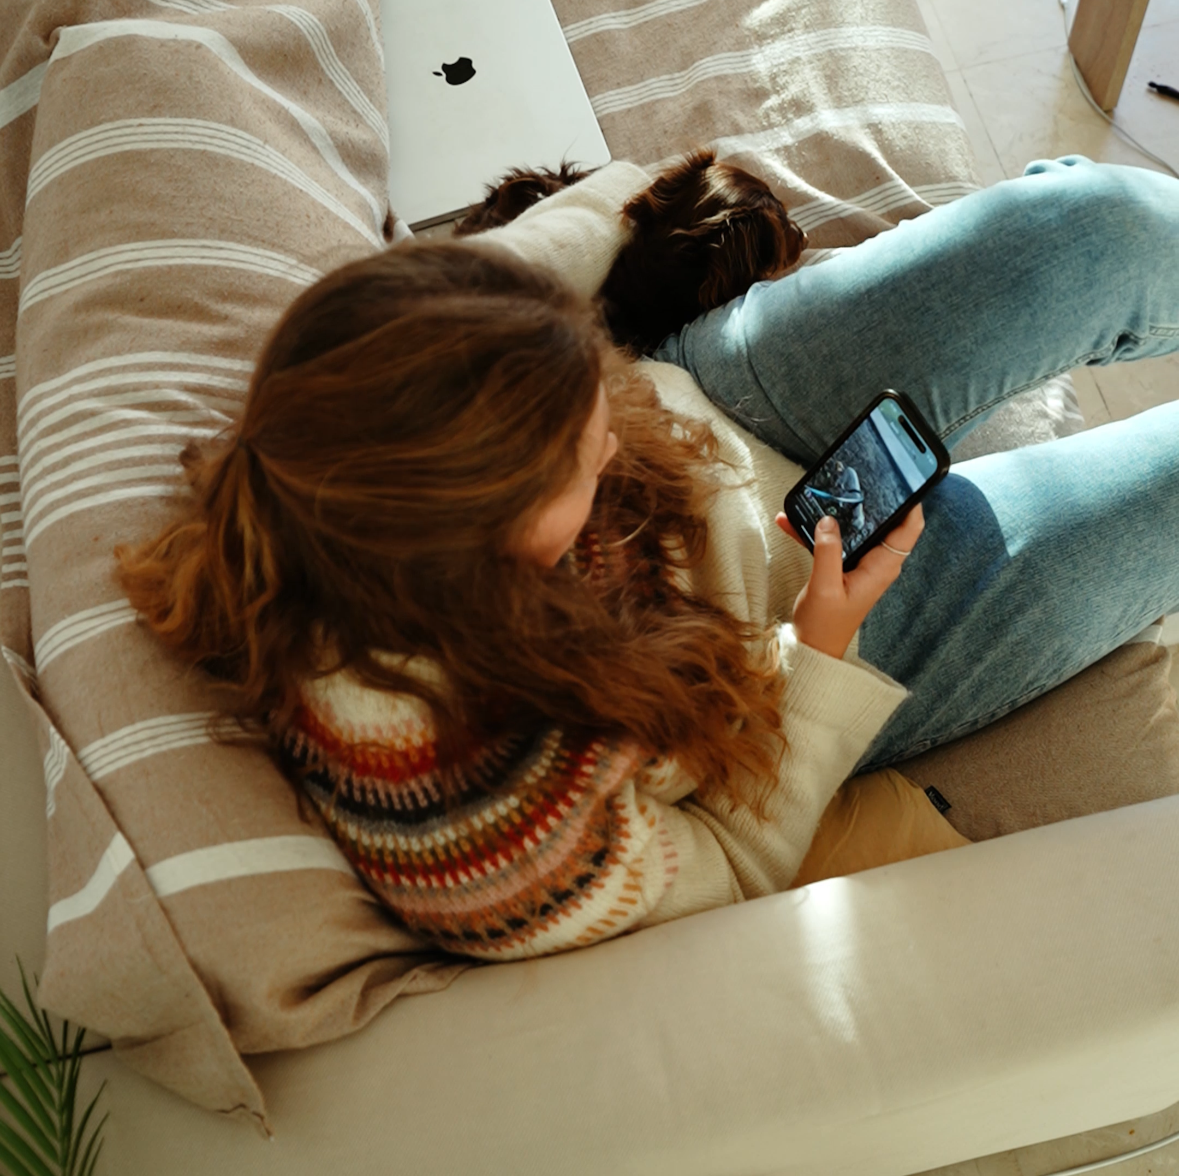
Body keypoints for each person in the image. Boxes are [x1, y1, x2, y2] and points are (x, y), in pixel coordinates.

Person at [115, 153, 1179, 962]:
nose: (608, 441)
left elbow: (559, 252)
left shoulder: (363, 392)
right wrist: (820, 643)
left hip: (716, 398)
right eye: (585, 455)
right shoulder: (490, 831)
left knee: (1098, 228)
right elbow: (734, 862)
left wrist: (634, 215)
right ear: (499, 555)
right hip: (796, 637)